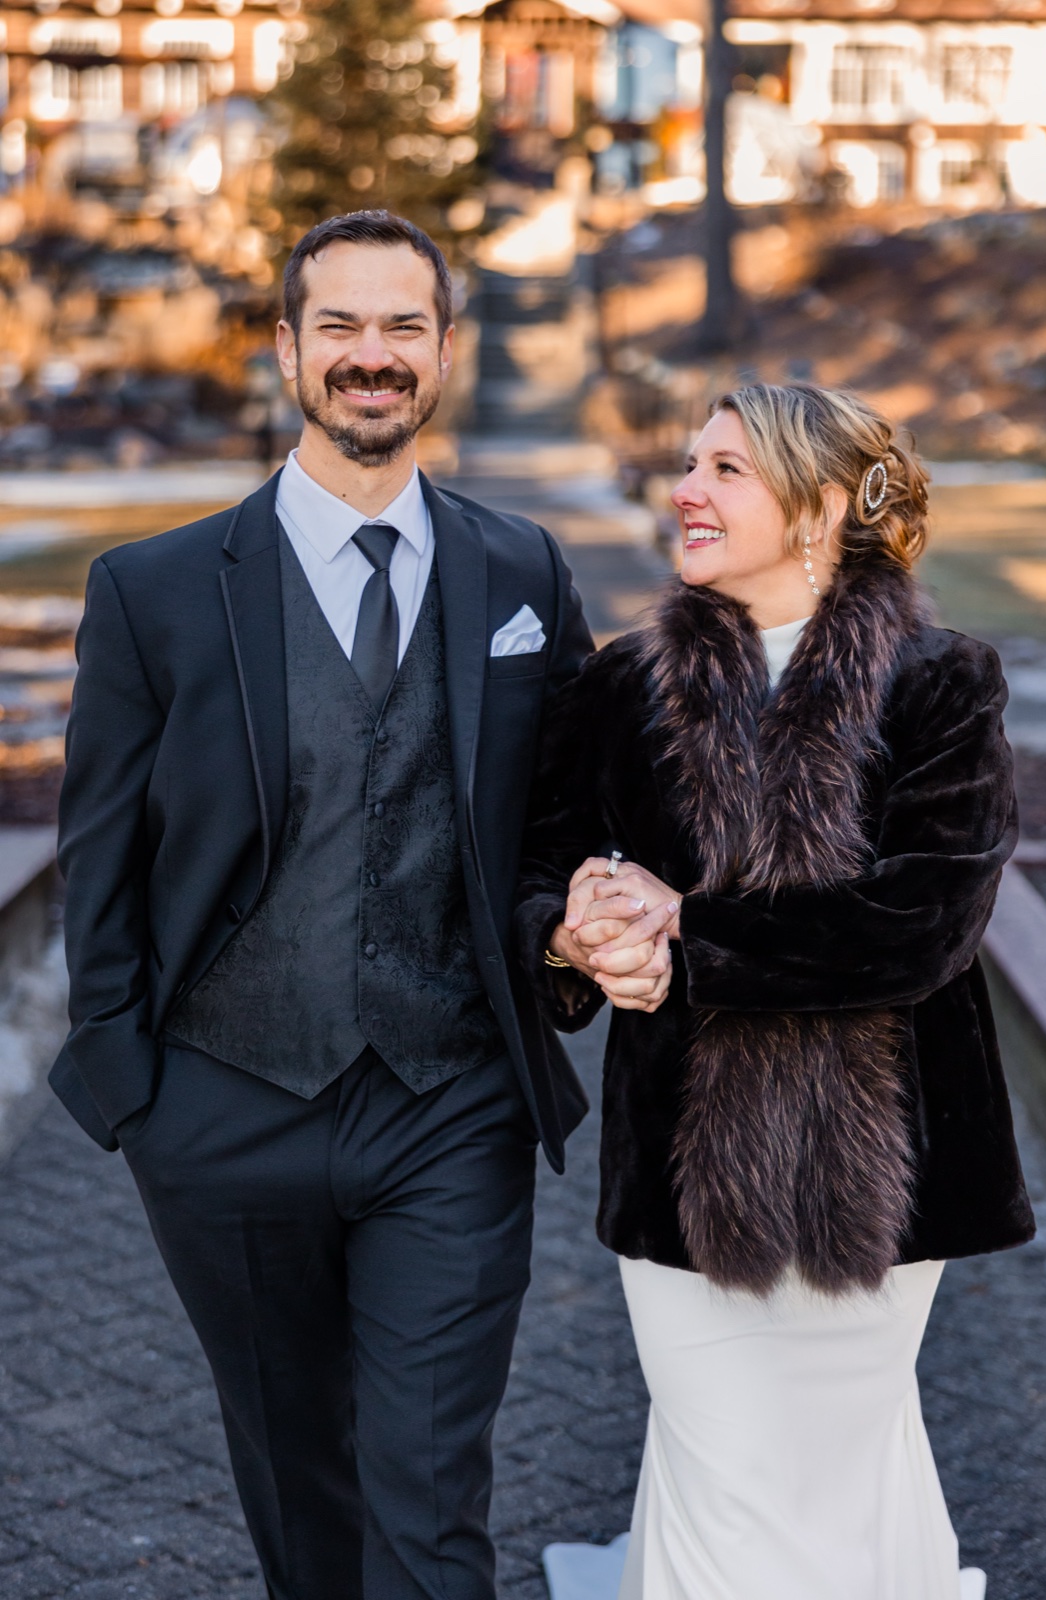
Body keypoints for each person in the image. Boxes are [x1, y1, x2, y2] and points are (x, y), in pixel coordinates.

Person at [52, 209, 593, 1600]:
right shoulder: (155, 590)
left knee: (428, 1501)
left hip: (449, 1103)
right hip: (223, 1107)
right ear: (287, 347)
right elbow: (100, 852)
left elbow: (570, 818)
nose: (372, 356)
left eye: (401, 326)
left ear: (443, 350)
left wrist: (569, 938)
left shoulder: (521, 573)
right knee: (302, 1496)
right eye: (338, 326)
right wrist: (133, 1091)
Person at [517, 383, 1034, 1600]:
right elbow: (540, 862)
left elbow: (923, 922)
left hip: (891, 1172)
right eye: (687, 464)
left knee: (839, 1466)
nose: (684, 489)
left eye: (725, 469)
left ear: (818, 508)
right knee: (727, 1476)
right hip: (684, 1176)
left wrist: (686, 930)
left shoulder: (940, 680)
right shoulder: (623, 684)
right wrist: (578, 932)